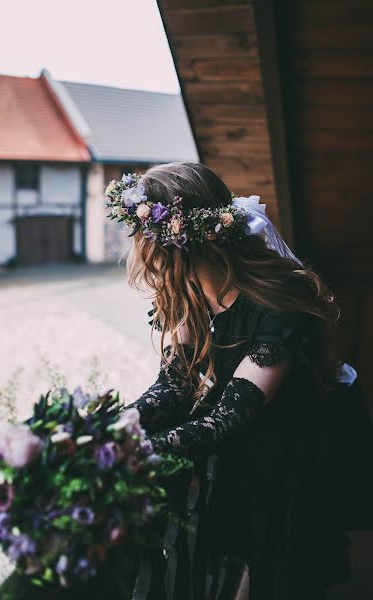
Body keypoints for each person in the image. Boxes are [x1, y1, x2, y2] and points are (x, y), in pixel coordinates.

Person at [104, 162, 372, 600]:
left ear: (176, 241)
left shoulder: (280, 302)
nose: (139, 250)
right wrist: (113, 428)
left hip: (296, 458)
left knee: (289, 577)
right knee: (247, 566)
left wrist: (133, 450)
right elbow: (171, 388)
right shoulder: (188, 297)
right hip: (247, 453)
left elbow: (228, 415)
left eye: (145, 238)